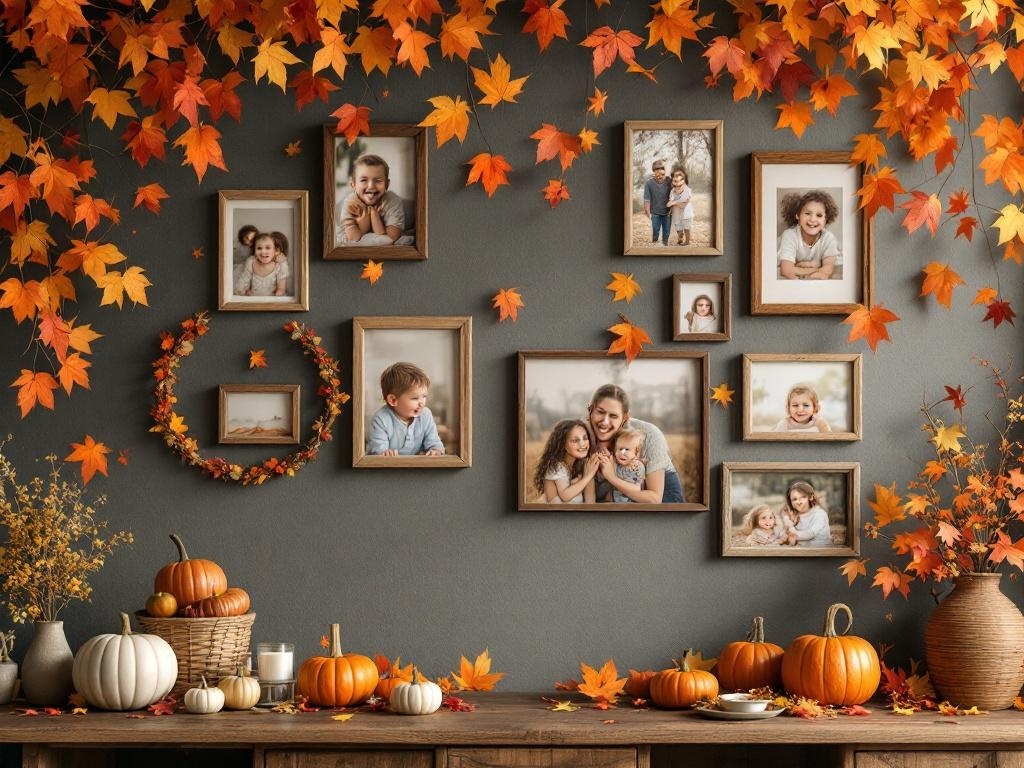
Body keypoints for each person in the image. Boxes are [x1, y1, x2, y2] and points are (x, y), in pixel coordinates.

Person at [586, 384, 685, 503]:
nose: (605, 422)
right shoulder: (581, 434)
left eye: (613, 416)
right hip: (617, 498)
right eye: (600, 412)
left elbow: (655, 499)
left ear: (625, 418)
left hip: (662, 498)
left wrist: (611, 477)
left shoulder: (647, 434)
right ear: (590, 410)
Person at [367, 362, 444, 456]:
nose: (422, 403)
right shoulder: (381, 419)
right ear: (393, 400)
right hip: (389, 468)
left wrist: (435, 449)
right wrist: (383, 452)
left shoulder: (425, 414)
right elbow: (377, 448)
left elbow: (433, 441)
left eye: (424, 396)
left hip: (417, 467)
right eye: (415, 398)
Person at [338, 154, 407, 246]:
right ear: (353, 184)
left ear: (387, 184)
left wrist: (375, 217)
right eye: (363, 180)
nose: (371, 186)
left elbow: (392, 237)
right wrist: (364, 225)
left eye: (378, 180)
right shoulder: (350, 203)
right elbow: (353, 238)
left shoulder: (392, 200)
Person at [532, 419, 600, 503]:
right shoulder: (556, 466)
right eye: (575, 440)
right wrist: (588, 476)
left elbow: (590, 502)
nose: (582, 444)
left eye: (585, 438)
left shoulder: (582, 465)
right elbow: (565, 496)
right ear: (562, 444)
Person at [777, 190, 841, 280]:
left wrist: (819, 271)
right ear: (798, 215)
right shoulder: (790, 235)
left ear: (826, 219)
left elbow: (827, 269)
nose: (812, 219)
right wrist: (816, 269)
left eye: (819, 215)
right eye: (807, 213)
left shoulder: (828, 238)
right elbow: (786, 270)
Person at [233, 231, 288, 296]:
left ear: (275, 250)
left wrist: (280, 291)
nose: (263, 252)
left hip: (272, 298)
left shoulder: (279, 265)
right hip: (254, 297)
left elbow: (281, 287)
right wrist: (245, 291)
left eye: (268, 248)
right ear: (254, 251)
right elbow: (245, 280)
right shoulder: (251, 262)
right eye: (259, 248)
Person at [783, 480, 832, 547]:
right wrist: (787, 521)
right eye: (794, 499)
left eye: (803, 497)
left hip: (820, 550)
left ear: (810, 497)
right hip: (802, 551)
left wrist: (791, 528)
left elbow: (810, 534)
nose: (798, 502)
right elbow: (788, 538)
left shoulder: (819, 514)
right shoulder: (794, 516)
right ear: (790, 502)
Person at [608, 427, 646, 503]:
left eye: (627, 449)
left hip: (632, 505)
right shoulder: (616, 463)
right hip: (615, 504)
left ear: (637, 453)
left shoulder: (637, 467)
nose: (622, 453)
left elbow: (637, 489)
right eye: (620, 449)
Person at [642, 159, 671, 246]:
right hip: (654, 212)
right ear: (654, 172)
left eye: (662, 174)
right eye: (657, 173)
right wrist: (648, 212)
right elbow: (647, 199)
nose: (660, 176)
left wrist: (672, 209)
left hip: (667, 212)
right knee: (655, 229)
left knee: (666, 232)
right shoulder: (649, 183)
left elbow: (675, 193)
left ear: (665, 172)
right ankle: (655, 242)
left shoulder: (669, 180)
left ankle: (665, 244)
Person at [666, 168, 694, 246]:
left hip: (686, 213)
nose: (676, 184)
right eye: (674, 181)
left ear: (683, 181)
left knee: (686, 227)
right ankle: (680, 237)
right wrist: (671, 208)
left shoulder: (687, 190)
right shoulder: (672, 191)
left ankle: (687, 241)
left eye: (678, 182)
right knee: (678, 227)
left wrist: (674, 202)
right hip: (676, 213)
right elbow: (669, 203)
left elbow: (684, 205)